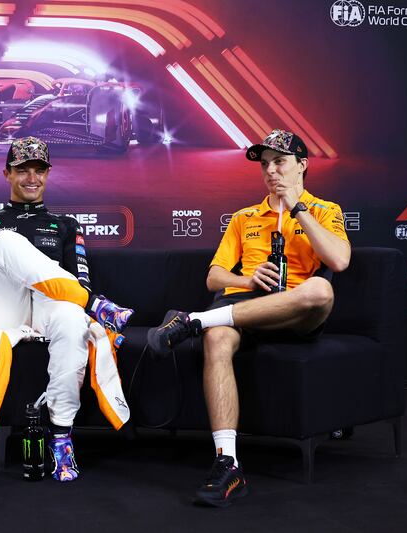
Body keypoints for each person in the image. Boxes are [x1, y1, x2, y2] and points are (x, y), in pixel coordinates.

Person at [146, 129, 350, 506]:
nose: (271, 171)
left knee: (321, 290)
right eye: (265, 164)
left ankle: (195, 321)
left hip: (295, 310)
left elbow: (338, 260)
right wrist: (248, 279)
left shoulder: (325, 210)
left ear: (302, 165)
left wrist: (297, 207)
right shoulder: (244, 217)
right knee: (217, 338)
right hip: (246, 306)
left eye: (280, 162)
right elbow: (214, 277)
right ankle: (228, 463)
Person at [0, 136, 134, 482]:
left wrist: (49, 287)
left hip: (49, 310)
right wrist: (20, 274)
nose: (32, 178)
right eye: (22, 170)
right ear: (7, 174)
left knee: (72, 320)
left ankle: (61, 437)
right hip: (4, 309)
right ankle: (98, 308)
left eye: (39, 170)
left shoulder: (66, 225)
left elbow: (80, 282)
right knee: (7, 242)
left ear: (48, 174)